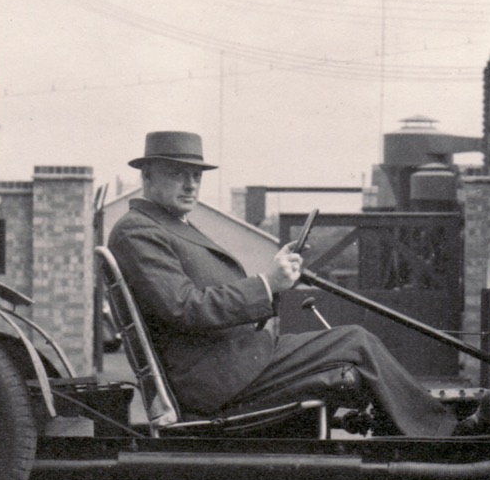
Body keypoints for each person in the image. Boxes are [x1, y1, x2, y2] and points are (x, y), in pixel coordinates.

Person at [107, 131, 457, 437]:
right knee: (356, 341)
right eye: (177, 173)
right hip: (216, 377)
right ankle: (443, 432)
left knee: (353, 343)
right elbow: (184, 307)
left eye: (196, 174)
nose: (190, 184)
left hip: (233, 361)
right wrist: (266, 283)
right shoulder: (139, 230)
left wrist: (274, 283)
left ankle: (412, 426)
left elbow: (199, 302)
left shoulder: (169, 225)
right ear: (147, 176)